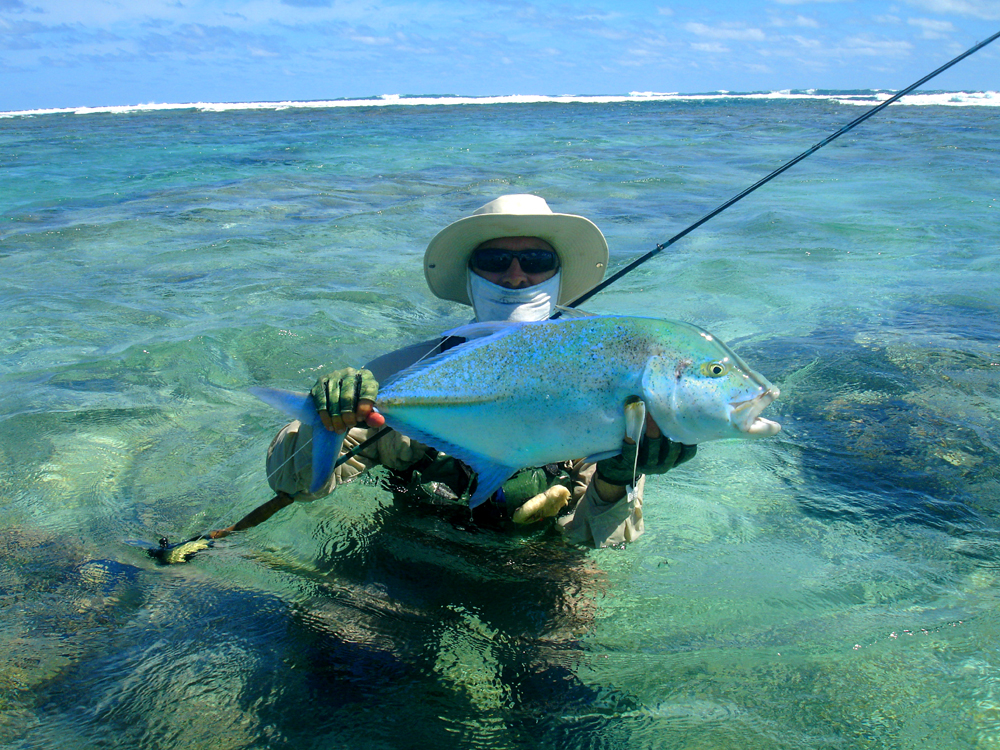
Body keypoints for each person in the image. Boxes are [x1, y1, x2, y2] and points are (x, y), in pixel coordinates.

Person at [206, 194, 695, 548]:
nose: (516, 274)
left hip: (543, 571)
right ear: (471, 274)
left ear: (558, 275)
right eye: (494, 259)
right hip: (411, 553)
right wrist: (325, 414)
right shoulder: (403, 372)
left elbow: (597, 541)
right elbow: (297, 485)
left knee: (557, 683)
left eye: (538, 260)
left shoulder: (606, 380)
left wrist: (616, 478)